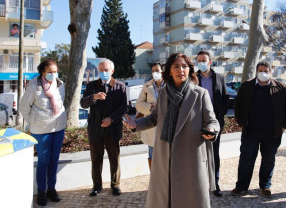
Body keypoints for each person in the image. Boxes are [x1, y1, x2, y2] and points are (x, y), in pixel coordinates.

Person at [124, 53, 220, 208]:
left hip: (190, 157)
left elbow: (212, 121)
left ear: (190, 70)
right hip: (165, 154)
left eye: (184, 66)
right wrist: (136, 124)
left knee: (190, 200)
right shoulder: (162, 94)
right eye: (176, 66)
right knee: (164, 199)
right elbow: (154, 119)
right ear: (169, 71)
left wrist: (211, 129)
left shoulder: (200, 94)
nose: (180, 69)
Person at [231, 61, 286, 198]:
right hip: (251, 131)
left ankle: (265, 185)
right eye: (261, 70)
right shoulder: (247, 86)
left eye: (266, 71)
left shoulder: (281, 88)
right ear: (256, 71)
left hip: (272, 132)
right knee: (246, 159)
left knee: (268, 159)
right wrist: (241, 121)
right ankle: (241, 186)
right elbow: (238, 105)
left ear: (271, 72)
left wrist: (283, 125)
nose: (263, 73)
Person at [19, 59, 67, 206]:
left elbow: (60, 102)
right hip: (41, 130)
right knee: (43, 161)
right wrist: (33, 122)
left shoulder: (60, 85)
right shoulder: (34, 86)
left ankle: (51, 189)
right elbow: (23, 107)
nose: (53, 74)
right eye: (50, 72)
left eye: (55, 71)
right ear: (42, 72)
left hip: (58, 128)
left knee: (54, 160)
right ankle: (41, 191)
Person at [80, 58, 127, 197]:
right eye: (101, 70)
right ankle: (96, 185)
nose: (103, 72)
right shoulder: (92, 86)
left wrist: (111, 119)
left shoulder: (120, 86)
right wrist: (94, 96)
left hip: (113, 129)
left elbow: (123, 107)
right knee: (96, 159)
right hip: (95, 129)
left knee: (114, 159)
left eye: (106, 70)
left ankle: (115, 185)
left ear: (112, 71)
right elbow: (83, 103)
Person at [196, 50, 229, 197]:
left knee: (214, 153)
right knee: (197, 153)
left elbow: (225, 98)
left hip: (214, 122)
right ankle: (199, 183)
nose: (202, 62)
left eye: (204, 60)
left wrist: (219, 116)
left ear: (210, 62)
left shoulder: (219, 78)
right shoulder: (193, 78)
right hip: (196, 122)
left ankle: (215, 184)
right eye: (199, 60)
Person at [135, 62, 164, 170]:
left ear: (162, 72)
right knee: (152, 155)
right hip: (152, 126)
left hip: (166, 125)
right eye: (153, 71)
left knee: (167, 156)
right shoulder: (147, 86)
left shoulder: (170, 85)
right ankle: (154, 182)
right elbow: (138, 105)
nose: (155, 73)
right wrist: (151, 107)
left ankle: (166, 183)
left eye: (157, 70)